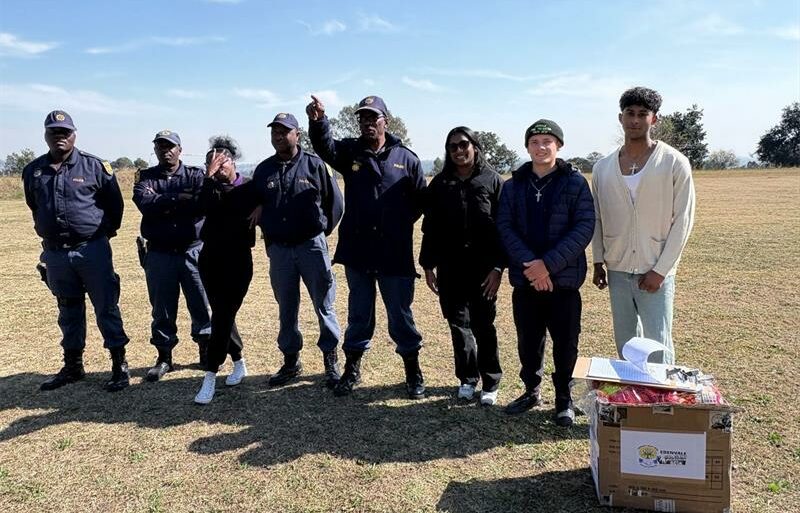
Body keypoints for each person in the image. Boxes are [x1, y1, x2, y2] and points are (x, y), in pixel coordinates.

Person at [306, 95, 427, 399]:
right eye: (363, 118)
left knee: (401, 315)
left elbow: (420, 202)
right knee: (359, 314)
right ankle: (352, 369)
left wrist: (396, 224)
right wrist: (319, 122)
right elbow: (325, 148)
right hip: (358, 251)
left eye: (374, 118)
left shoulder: (407, 158)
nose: (368, 123)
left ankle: (412, 371)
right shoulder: (350, 152)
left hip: (394, 253)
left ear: (387, 120)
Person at [22, 110, 130, 392]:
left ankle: (119, 364)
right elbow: (34, 205)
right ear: (46, 135)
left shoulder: (95, 167)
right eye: (54, 132)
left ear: (74, 135)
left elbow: (115, 206)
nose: (60, 137)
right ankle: (73, 365)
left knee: (105, 305)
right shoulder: (33, 170)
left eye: (65, 132)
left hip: (91, 249)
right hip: (56, 254)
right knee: (67, 309)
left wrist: (102, 233)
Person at [497, 119, 595, 426]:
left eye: (547, 141)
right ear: (527, 147)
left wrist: (547, 265)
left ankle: (564, 400)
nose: (541, 147)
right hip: (526, 281)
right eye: (535, 142)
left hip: (563, 281)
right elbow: (505, 226)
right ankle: (530, 391)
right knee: (529, 340)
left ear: (559, 146)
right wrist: (532, 267)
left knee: (566, 343)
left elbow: (584, 227)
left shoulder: (575, 183)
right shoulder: (513, 186)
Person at [592, 87, 695, 364]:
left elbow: (683, 220)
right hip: (617, 268)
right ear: (620, 117)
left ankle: (662, 404)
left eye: (642, 114)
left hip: (655, 269)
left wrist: (661, 271)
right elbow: (598, 217)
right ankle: (634, 400)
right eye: (629, 113)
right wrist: (599, 261)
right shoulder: (603, 167)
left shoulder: (674, 162)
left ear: (654, 119)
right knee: (625, 341)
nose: (635, 120)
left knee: (658, 343)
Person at [250, 113, 344, 389]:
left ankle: (330, 359)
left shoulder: (315, 165)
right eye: (275, 132)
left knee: (324, 304)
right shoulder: (263, 170)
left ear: (297, 134)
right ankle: (291, 361)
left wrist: (320, 231)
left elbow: (335, 204)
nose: (278, 136)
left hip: (311, 247)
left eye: (284, 131)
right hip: (280, 251)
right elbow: (256, 206)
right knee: (286, 307)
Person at [420, 126, 504, 406]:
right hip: (450, 267)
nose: (459, 150)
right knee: (458, 325)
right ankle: (467, 379)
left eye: (464, 144)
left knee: (483, 325)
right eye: (453, 146)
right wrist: (429, 265)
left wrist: (498, 268)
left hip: (484, 269)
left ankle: (490, 381)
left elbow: (504, 229)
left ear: (475, 146)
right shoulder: (440, 185)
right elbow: (429, 228)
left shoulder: (492, 181)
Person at [133, 130, 212, 382]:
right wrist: (179, 197)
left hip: (193, 251)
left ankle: (206, 350)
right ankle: (164, 357)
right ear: (155, 149)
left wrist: (163, 201)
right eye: (160, 146)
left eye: (170, 146)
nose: (165, 150)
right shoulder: (145, 177)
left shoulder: (195, 175)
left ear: (180, 149)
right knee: (162, 308)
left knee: (200, 303)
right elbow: (145, 203)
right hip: (159, 254)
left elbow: (201, 204)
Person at [194, 136, 258, 404]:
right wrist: (208, 177)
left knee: (223, 312)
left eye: (222, 160)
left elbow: (270, 196)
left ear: (234, 161)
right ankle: (239, 359)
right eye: (212, 161)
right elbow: (200, 208)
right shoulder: (208, 188)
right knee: (222, 312)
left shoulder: (250, 188)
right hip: (210, 259)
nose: (218, 165)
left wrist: (262, 205)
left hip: (239, 261)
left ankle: (210, 373)